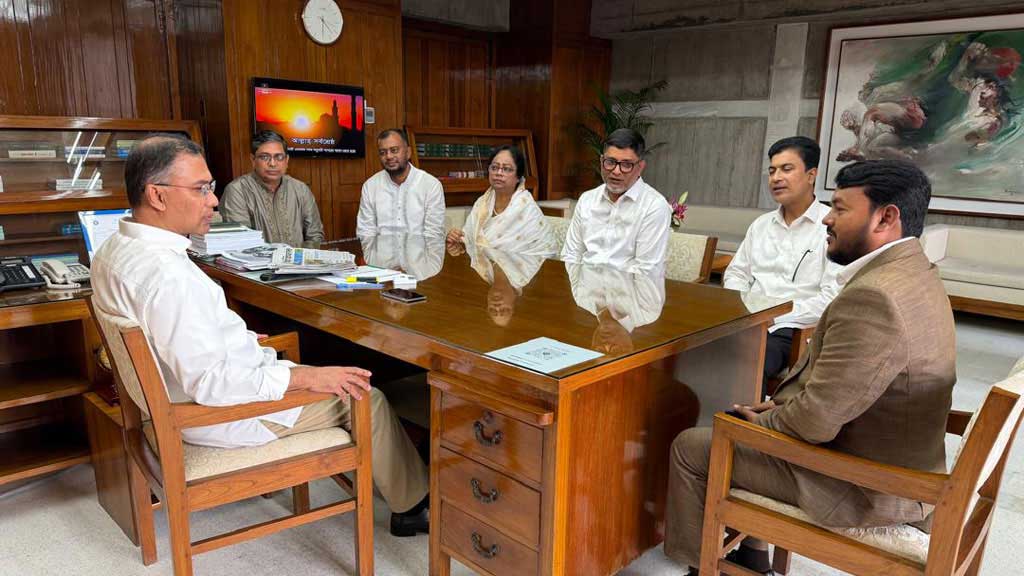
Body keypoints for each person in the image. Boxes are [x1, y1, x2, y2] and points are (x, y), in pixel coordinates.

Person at [91, 134, 430, 537]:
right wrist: (308, 377)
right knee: (366, 396)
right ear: (157, 195)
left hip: (177, 396)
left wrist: (237, 338)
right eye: (200, 189)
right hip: (221, 414)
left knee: (320, 370)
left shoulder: (113, 250)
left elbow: (175, 337)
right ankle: (413, 506)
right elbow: (213, 383)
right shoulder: (168, 277)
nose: (213, 201)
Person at [664, 159, 956, 575]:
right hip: (900, 458)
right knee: (751, 421)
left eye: (839, 209)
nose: (827, 220)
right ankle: (753, 558)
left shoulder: (876, 297)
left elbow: (814, 424)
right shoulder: (916, 272)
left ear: (885, 217)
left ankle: (703, 567)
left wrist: (759, 423)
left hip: (865, 484)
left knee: (694, 446)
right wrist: (777, 411)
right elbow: (845, 389)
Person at [723, 137, 842, 382]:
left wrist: (774, 316)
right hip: (746, 321)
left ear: (811, 175)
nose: (776, 178)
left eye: (786, 169)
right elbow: (736, 273)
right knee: (693, 352)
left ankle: (743, 408)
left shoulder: (830, 227)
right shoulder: (761, 225)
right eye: (772, 171)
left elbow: (831, 298)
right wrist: (742, 309)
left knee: (745, 366)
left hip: (792, 329)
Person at [561, 128, 671, 275]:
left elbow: (646, 271)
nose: (616, 171)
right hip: (584, 285)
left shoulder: (654, 206)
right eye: (610, 162)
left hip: (629, 287)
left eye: (626, 164)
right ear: (601, 161)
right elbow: (571, 255)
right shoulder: (587, 200)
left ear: (640, 167)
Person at [446, 145, 556, 257]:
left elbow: (544, 253)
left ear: (518, 176)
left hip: (520, 267)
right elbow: (468, 241)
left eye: (506, 169)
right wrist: (456, 238)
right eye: (494, 167)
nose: (498, 173)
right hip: (481, 266)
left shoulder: (527, 209)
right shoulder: (482, 203)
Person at [220, 130, 325, 248]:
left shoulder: (300, 189)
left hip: (299, 259)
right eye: (265, 157)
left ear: (286, 160)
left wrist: (300, 258)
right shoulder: (237, 191)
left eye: (279, 157)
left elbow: (315, 236)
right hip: (257, 260)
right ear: (253, 160)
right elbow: (241, 242)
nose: (273, 163)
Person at [357, 128, 445, 238]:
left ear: (408, 152)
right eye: (383, 152)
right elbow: (365, 232)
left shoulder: (430, 185)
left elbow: (434, 233)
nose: (388, 156)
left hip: (419, 248)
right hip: (381, 248)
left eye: (394, 150)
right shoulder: (370, 186)